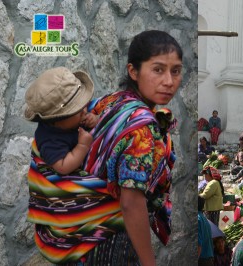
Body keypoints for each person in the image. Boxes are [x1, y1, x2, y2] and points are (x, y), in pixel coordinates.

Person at [26, 30, 183, 265]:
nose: (169, 81)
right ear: (133, 71)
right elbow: (131, 203)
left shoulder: (110, 101)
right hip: (107, 242)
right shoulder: (140, 128)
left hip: (79, 241)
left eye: (176, 71)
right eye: (158, 69)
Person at [24, 67, 98, 175]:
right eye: (77, 109)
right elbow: (63, 167)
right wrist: (83, 146)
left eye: (84, 105)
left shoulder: (72, 121)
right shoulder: (50, 140)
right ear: (57, 119)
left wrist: (95, 119)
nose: (84, 111)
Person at [199, 196, 215, 266]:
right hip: (207, 258)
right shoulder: (203, 218)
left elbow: (198, 245)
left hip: (202, 260)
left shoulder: (197, 219)